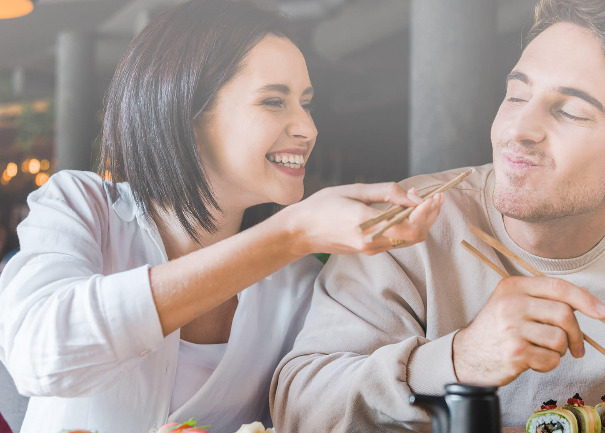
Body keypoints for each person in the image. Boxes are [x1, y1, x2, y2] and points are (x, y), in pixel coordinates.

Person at [270, 0, 605, 431]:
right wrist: (459, 359)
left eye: (569, 111)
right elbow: (300, 404)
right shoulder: (407, 224)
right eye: (516, 94)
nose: (518, 129)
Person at [0, 1, 443, 433]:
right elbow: (40, 355)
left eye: (305, 103)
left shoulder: (300, 286)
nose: (307, 127)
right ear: (188, 113)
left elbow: (332, 407)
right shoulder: (84, 206)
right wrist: (292, 232)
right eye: (274, 101)